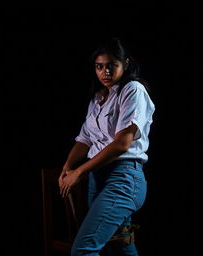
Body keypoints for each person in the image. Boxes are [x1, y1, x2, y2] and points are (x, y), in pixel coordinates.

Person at [58, 37, 155, 256]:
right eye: (99, 67)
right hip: (97, 178)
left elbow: (122, 143)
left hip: (123, 177)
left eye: (112, 65)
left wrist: (80, 171)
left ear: (126, 64)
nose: (105, 72)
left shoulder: (132, 90)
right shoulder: (99, 97)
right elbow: (85, 139)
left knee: (83, 249)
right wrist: (68, 166)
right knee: (119, 247)